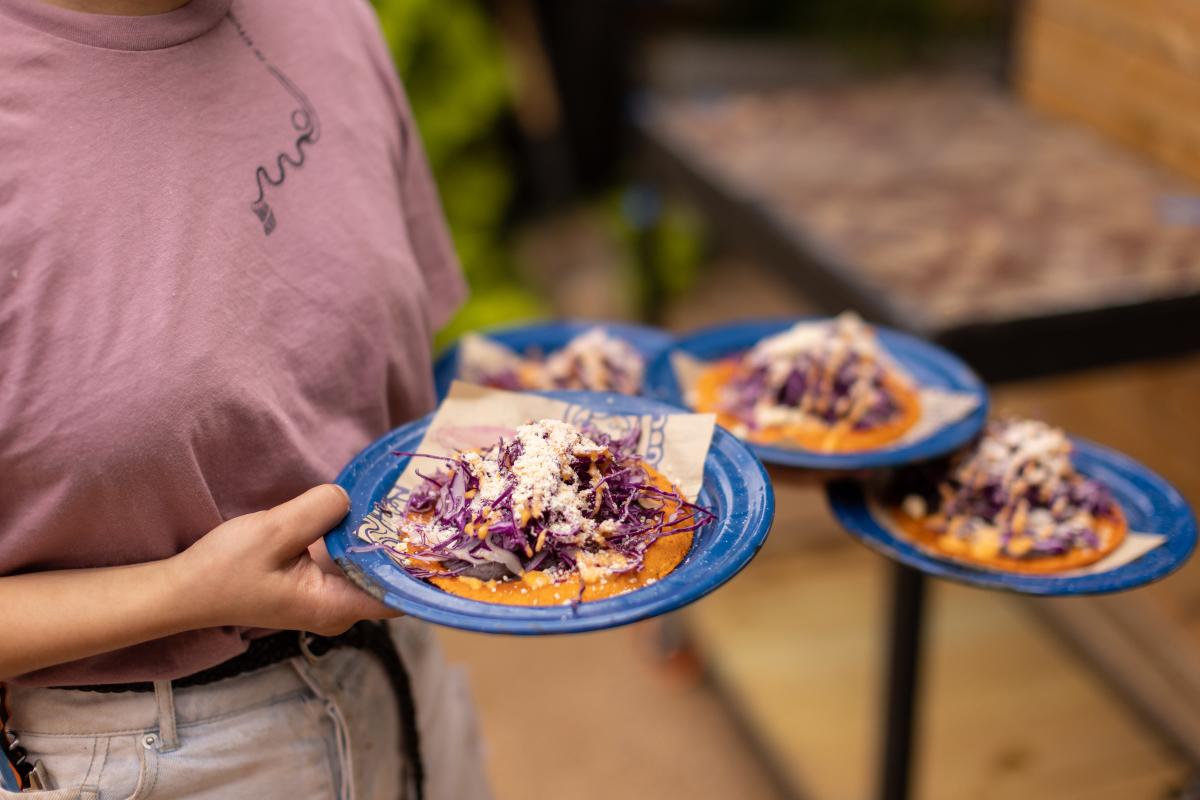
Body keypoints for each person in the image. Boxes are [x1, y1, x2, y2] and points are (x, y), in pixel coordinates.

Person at [0, 0, 490, 797]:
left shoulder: (332, 17)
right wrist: (183, 595)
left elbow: (388, 373)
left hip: (409, 688)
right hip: (146, 759)